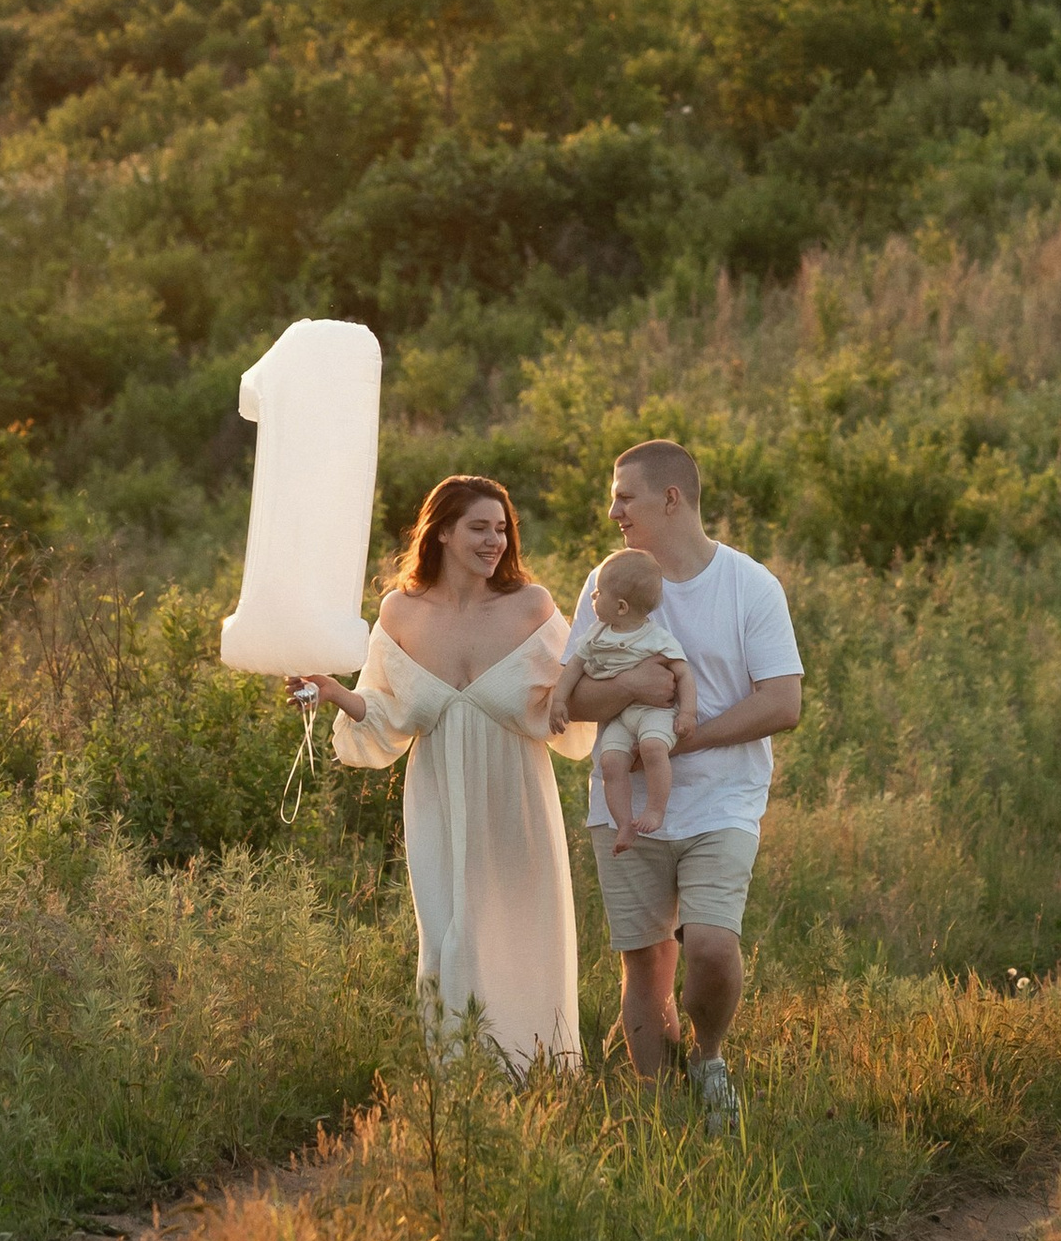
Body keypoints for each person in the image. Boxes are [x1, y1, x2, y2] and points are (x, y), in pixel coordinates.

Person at [293, 473, 592, 1072]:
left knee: (521, 933)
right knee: (451, 935)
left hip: (516, 799)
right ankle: (459, 1077)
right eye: (479, 528)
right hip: (437, 802)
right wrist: (332, 692)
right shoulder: (400, 612)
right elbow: (385, 712)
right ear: (442, 533)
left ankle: (536, 1073)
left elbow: (575, 703)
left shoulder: (530, 607)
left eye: (502, 529)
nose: (495, 542)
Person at [552, 439, 803, 1127]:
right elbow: (570, 699)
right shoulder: (608, 584)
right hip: (624, 805)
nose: (612, 511)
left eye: (623, 496)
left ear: (671, 499)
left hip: (723, 800)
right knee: (646, 968)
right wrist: (633, 685)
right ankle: (662, 1118)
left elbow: (783, 702)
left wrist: (689, 734)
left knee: (712, 947)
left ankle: (709, 1056)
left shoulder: (749, 585)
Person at [573, 548, 697, 840]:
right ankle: (624, 824)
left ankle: (655, 809)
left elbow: (683, 673)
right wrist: (557, 700)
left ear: (621, 608)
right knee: (611, 763)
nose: (593, 597)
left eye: (598, 593)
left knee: (653, 747)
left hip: (654, 713)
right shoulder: (596, 634)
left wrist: (688, 712)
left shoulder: (655, 637)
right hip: (620, 717)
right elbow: (573, 668)